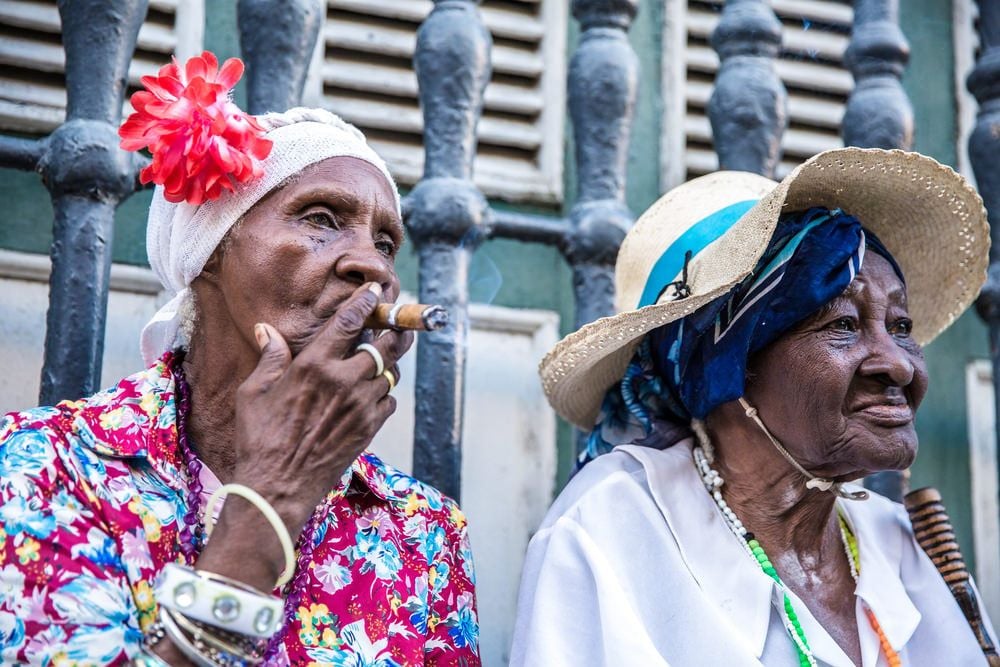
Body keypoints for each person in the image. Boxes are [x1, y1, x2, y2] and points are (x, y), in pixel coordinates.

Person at [0, 52, 479, 666]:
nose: (375, 267)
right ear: (211, 253)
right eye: (323, 219)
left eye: (385, 242)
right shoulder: (44, 469)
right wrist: (269, 505)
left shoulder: (425, 534)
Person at [511, 147, 997, 666]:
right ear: (728, 369)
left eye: (900, 327)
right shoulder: (612, 526)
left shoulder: (892, 541)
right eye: (843, 325)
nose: (898, 366)